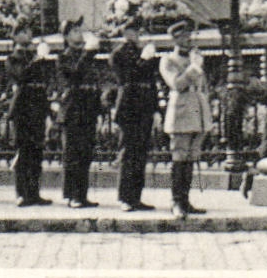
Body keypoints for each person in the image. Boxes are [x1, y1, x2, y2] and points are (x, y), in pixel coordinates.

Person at [160, 21, 210, 219]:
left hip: (196, 111)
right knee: (179, 157)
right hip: (180, 112)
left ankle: (186, 200)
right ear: (175, 39)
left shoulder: (194, 58)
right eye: (184, 36)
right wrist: (194, 68)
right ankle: (176, 201)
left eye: (190, 35)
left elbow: (203, 85)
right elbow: (177, 84)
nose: (189, 39)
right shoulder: (168, 60)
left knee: (191, 157)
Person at [110, 22, 161, 211]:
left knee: (141, 153)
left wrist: (156, 109)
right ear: (125, 32)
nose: (138, 34)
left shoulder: (144, 52)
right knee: (128, 152)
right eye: (134, 30)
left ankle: (136, 197)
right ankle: (125, 197)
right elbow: (128, 78)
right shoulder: (118, 54)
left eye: (139, 31)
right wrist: (144, 59)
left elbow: (151, 82)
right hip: (129, 107)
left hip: (145, 107)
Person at [6, 28, 56, 207]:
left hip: (37, 108)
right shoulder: (13, 58)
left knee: (36, 152)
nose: (26, 35)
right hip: (23, 109)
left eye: (28, 32)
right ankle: (21, 193)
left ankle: (34, 192)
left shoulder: (37, 57)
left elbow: (45, 83)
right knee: (23, 152)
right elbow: (21, 76)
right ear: (15, 37)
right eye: (21, 32)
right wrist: (37, 60)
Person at [59, 25, 104, 208]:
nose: (80, 34)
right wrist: (87, 54)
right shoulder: (64, 57)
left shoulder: (88, 57)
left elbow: (95, 84)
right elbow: (74, 76)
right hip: (73, 109)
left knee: (85, 154)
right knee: (73, 154)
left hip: (88, 109)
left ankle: (82, 194)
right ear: (67, 36)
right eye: (76, 31)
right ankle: (72, 195)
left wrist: (98, 110)